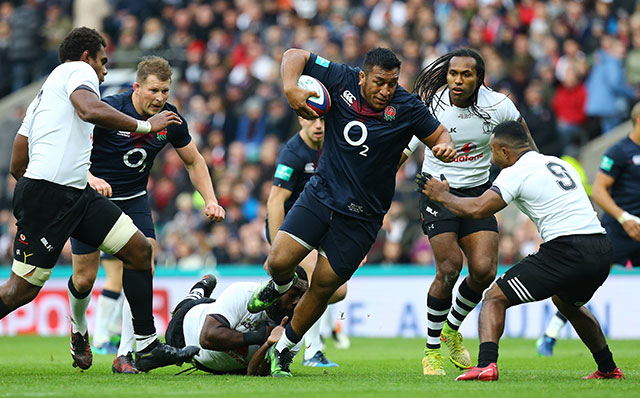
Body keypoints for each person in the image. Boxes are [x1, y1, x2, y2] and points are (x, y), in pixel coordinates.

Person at [249, 47, 457, 377]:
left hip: (363, 217)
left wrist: (444, 146)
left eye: (392, 83)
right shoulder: (340, 78)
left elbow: (439, 135)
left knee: (323, 288)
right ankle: (277, 287)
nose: (386, 90)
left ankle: (285, 349)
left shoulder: (406, 107)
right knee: (278, 261)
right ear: (362, 77)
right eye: (379, 82)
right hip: (320, 196)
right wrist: (290, 87)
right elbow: (293, 54)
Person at [4, 27, 198, 373]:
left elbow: (18, 157)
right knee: (20, 292)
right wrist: (145, 127)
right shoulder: (78, 73)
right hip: (50, 195)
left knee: (139, 250)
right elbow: (88, 109)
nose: (105, 70)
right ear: (86, 57)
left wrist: (35, 184)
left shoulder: (45, 92)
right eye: (103, 62)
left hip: (75, 193)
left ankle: (147, 345)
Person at [418, 120, 624, 381]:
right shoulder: (560, 163)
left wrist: (442, 196)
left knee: (494, 298)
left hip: (567, 249)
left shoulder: (516, 172)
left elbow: (478, 209)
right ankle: (608, 368)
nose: (492, 158)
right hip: (601, 248)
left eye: (493, 151)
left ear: (505, 151)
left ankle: (486, 365)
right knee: (568, 303)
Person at [65, 55, 225, 373]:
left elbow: (193, 160)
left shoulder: (170, 119)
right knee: (84, 278)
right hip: (93, 200)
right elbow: (71, 148)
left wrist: (210, 199)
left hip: (134, 201)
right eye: (154, 90)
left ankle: (126, 353)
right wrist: (89, 178)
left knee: (143, 263)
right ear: (137, 87)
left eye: (165, 91)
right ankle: (79, 327)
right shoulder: (108, 110)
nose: (160, 98)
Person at [402, 48, 537, 375]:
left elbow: (527, 147)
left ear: (479, 78)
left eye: (466, 75)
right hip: (438, 192)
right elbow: (403, 150)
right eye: (453, 74)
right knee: (449, 267)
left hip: (478, 193)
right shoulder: (431, 106)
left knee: (484, 271)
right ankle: (431, 350)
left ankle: (451, 329)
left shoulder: (499, 106)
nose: (458, 81)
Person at [536, 101, 640, 357]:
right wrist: (624, 217)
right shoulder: (619, 151)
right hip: (620, 228)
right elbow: (600, 191)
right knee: (586, 282)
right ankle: (550, 335)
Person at [266, 115, 344, 367]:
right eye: (312, 119)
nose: (319, 125)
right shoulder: (293, 154)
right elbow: (275, 201)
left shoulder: (334, 146)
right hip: (292, 229)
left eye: (323, 119)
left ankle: (276, 308)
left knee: (338, 291)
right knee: (314, 280)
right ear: (300, 119)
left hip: (322, 228)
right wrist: (277, 247)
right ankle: (312, 351)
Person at [164, 269, 308, 375]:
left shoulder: (294, 333)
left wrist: (268, 344)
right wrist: (261, 336)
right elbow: (207, 338)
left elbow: (256, 372)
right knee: (184, 307)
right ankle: (197, 291)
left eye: (302, 296)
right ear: (278, 289)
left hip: (216, 367)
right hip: (185, 330)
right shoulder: (243, 292)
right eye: (293, 294)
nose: (297, 302)